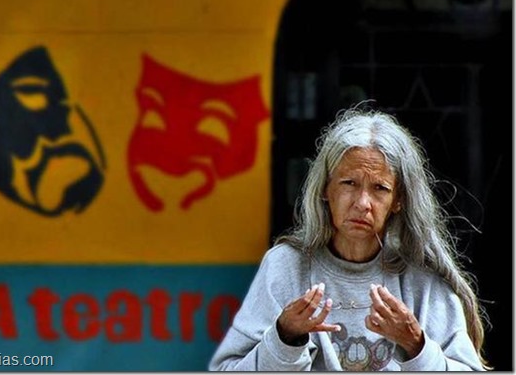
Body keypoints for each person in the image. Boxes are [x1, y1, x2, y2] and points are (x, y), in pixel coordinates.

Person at [208, 106, 490, 371]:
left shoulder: (421, 277)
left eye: (380, 188)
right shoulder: (286, 267)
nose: (362, 203)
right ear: (325, 189)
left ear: (398, 200)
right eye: (349, 184)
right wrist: (284, 338)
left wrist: (416, 345)